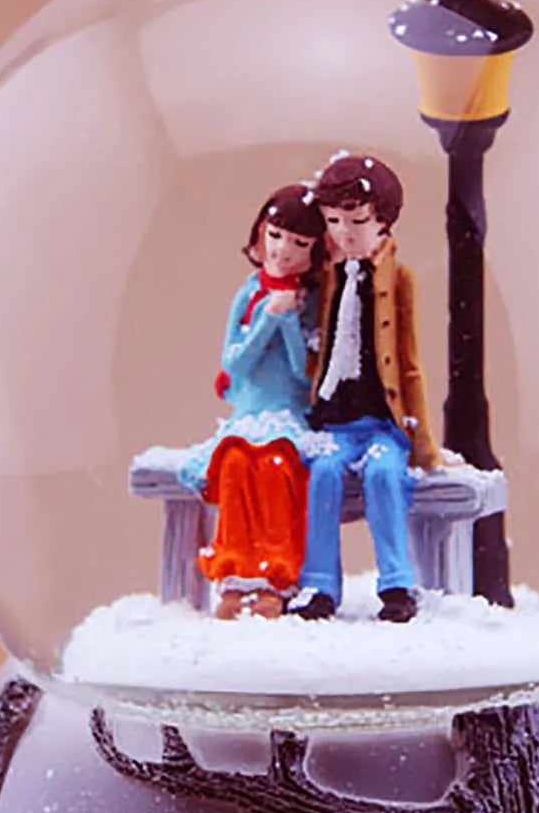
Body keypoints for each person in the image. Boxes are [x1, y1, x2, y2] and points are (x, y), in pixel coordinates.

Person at [293, 153, 441, 624]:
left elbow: (409, 364)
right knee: (324, 473)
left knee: (382, 474)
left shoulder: (398, 279)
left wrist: (424, 446)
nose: (345, 233)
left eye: (357, 221)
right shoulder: (327, 276)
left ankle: (397, 583)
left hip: (382, 424)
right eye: (333, 221)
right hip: (335, 422)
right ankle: (318, 585)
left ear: (384, 222)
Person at [180, 185, 325, 618]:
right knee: (236, 465)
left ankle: (275, 576)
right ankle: (234, 575)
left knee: (277, 467)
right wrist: (268, 317)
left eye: (299, 244)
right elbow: (235, 363)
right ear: (260, 235)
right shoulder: (249, 295)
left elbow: (303, 373)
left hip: (289, 415)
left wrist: (289, 319)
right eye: (275, 236)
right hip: (248, 414)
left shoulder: (313, 302)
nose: (283, 250)